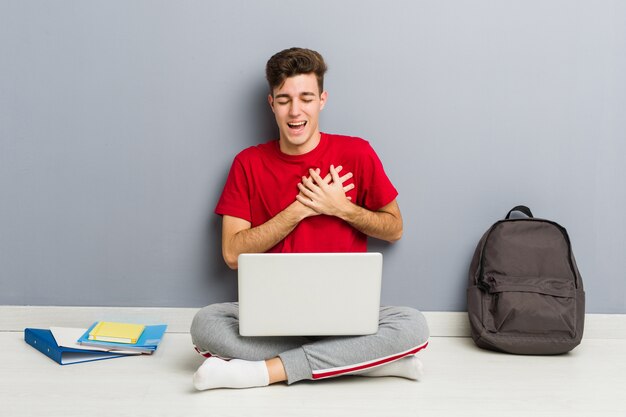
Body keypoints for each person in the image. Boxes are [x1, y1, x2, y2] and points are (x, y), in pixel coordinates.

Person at [190, 47, 429, 390]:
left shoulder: (357, 152)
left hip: (345, 317)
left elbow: (395, 228)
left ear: (322, 100)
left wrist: (340, 207)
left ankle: (263, 372)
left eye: (306, 97)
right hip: (272, 318)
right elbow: (231, 254)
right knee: (206, 324)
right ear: (272, 103)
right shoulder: (248, 163)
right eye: (284, 99)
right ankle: (360, 362)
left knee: (413, 324)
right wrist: (299, 209)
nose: (296, 110)